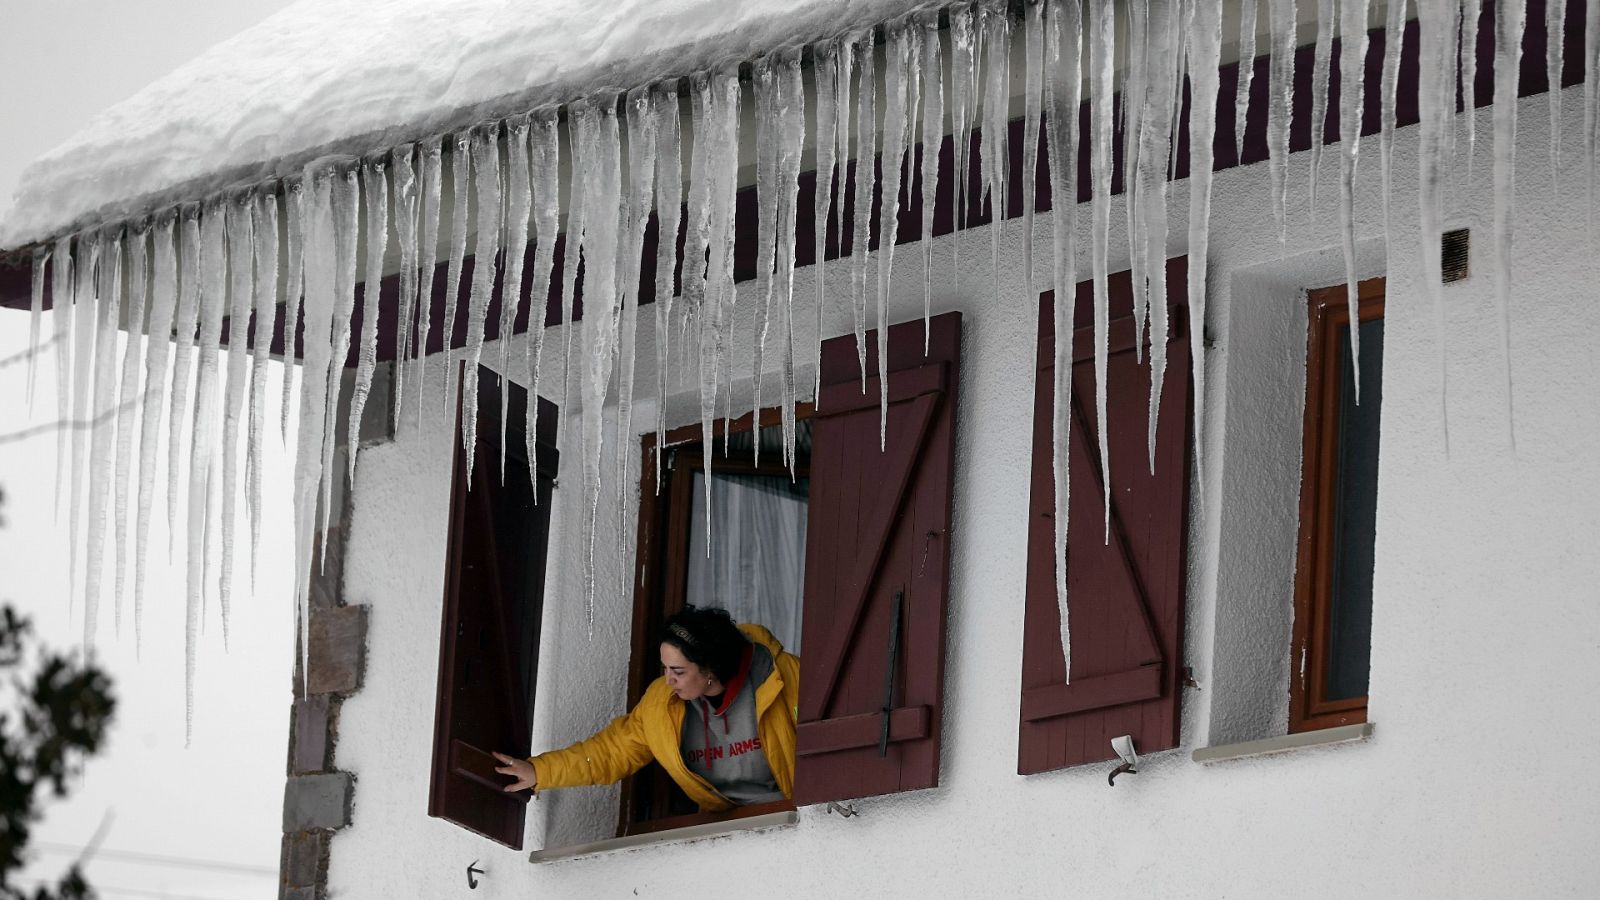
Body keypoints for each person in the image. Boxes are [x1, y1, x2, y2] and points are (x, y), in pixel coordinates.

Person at [493, 605, 800, 812]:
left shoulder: (784, 678)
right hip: (727, 836)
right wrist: (539, 771)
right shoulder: (661, 705)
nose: (668, 681)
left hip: (794, 822)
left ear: (711, 669)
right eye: (664, 668)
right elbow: (611, 752)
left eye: (678, 672)